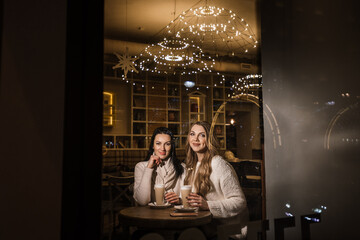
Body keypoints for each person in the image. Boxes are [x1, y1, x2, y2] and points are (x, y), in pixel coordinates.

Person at [184, 121, 248, 239]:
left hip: (229, 233)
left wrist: (208, 205)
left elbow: (240, 202)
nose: (196, 139)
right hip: (206, 228)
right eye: (192, 134)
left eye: (202, 135)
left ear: (209, 139)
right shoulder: (191, 165)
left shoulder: (219, 164)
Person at [133, 127, 185, 205]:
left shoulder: (182, 167)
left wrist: (180, 200)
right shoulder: (141, 167)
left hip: (174, 214)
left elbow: (188, 199)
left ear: (172, 147)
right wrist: (149, 168)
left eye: (167, 144)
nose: (162, 148)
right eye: (158, 143)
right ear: (153, 146)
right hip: (149, 215)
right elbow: (142, 201)